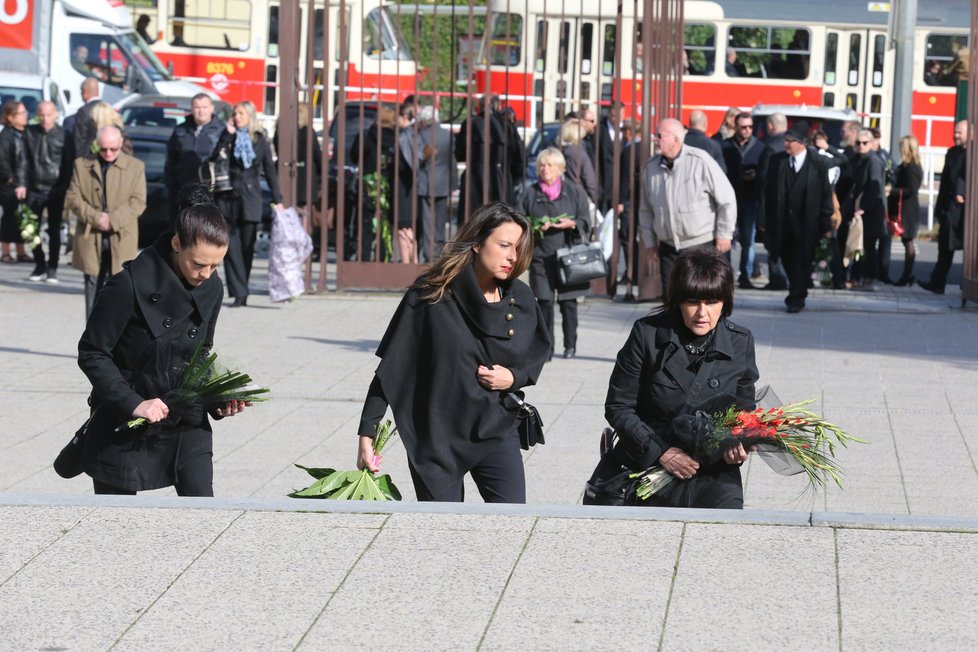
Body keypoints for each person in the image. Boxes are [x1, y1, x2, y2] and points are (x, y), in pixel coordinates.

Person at [355, 202, 550, 502]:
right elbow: (392, 368)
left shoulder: (520, 298)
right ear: (477, 244)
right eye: (504, 245)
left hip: (494, 426)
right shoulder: (432, 294)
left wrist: (513, 377)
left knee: (512, 522)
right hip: (436, 435)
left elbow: (535, 354)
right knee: (441, 534)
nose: (512, 256)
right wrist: (367, 434)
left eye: (518, 247)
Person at [76, 203, 243, 496]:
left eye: (216, 265)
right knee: (115, 527)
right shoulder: (127, 285)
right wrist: (133, 403)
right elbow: (92, 352)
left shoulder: (212, 287)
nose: (207, 274)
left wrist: (217, 399)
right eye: (199, 264)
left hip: (185, 419)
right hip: (123, 418)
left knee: (204, 513)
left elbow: (201, 351)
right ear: (176, 243)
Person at [604, 248, 759, 508]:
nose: (702, 313)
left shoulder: (740, 342)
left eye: (711, 303)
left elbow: (744, 410)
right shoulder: (647, 335)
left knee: (727, 517)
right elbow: (618, 407)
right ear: (677, 300)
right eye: (692, 302)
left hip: (711, 466)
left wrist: (737, 444)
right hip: (649, 457)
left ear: (725, 303)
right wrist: (661, 452)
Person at [639, 118, 736, 300]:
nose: (655, 139)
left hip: (699, 244)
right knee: (672, 299)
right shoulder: (651, 168)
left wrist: (724, 233)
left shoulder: (699, 161)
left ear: (676, 139)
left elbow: (727, 198)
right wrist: (650, 241)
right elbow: (645, 209)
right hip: (668, 247)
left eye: (660, 136)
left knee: (700, 297)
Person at [67, 125, 146, 318]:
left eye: (113, 148)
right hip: (90, 235)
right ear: (96, 145)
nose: (108, 153)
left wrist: (113, 220)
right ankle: (90, 342)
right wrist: (96, 218)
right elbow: (73, 197)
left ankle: (115, 342)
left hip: (121, 236)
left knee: (120, 290)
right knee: (92, 288)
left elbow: (138, 202)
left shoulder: (135, 167)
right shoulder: (81, 165)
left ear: (121, 144)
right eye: (103, 149)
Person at [211, 100, 284, 306]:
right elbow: (214, 158)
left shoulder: (259, 139)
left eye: (241, 113)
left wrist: (278, 199)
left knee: (246, 248)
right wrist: (227, 134)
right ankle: (239, 292)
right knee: (231, 248)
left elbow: (269, 170)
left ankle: (242, 291)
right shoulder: (228, 137)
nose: (237, 116)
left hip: (250, 198)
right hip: (227, 197)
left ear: (250, 116)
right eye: (235, 113)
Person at [521, 147, 591, 360]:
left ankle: (570, 345)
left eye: (550, 165)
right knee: (543, 303)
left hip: (568, 256)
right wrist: (533, 227)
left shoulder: (574, 191)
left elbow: (586, 221)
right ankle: (546, 348)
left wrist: (572, 223)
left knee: (568, 304)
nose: (545, 168)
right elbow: (518, 221)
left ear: (560, 168)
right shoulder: (530, 192)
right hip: (541, 257)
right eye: (542, 164)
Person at [760, 121, 834, 313]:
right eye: (785, 140)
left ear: (801, 142)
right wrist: (763, 220)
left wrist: (826, 222)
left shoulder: (818, 163)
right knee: (785, 257)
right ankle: (797, 289)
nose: (786, 144)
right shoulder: (778, 161)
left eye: (790, 141)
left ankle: (796, 297)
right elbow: (767, 193)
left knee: (801, 260)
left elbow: (826, 193)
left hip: (807, 224)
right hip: (782, 223)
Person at [919, 121, 969, 295]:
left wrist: (963, 193)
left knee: (969, 251)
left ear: (971, 133)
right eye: (955, 132)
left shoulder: (973, 153)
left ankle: (968, 285)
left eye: (959, 132)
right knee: (945, 247)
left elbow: (967, 178)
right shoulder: (952, 152)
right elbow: (946, 181)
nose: (956, 135)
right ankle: (937, 282)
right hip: (950, 208)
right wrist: (940, 208)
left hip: (966, 210)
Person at [721, 112, 769, 289]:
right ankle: (726, 276)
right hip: (728, 198)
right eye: (743, 127)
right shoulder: (725, 146)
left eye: (750, 127)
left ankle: (745, 276)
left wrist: (755, 176)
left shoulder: (760, 147)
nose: (747, 130)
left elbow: (764, 175)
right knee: (725, 236)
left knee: (748, 240)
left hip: (750, 199)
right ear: (736, 127)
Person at [24, 101, 67, 282]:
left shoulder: (65, 136)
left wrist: (63, 188)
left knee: (54, 230)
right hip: (34, 189)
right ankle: (39, 263)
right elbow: (22, 160)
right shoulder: (30, 132)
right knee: (29, 229)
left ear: (56, 115)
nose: (45, 118)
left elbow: (68, 165)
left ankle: (52, 266)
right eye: (41, 114)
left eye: (48, 114)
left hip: (55, 189)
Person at [350, 105, 397, 262]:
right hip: (389, 187)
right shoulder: (396, 139)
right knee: (385, 225)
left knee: (366, 223)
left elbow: (354, 156)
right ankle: (382, 258)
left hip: (368, 186)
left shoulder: (366, 135)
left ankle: (363, 257)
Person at [166, 93, 225, 217]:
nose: (201, 111)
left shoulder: (221, 131)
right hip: (183, 190)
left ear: (212, 108)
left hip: (210, 193)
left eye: (204, 107)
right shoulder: (180, 130)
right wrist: (170, 184)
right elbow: (170, 159)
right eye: (197, 107)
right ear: (192, 109)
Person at [844, 128, 887, 291]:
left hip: (870, 212)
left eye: (864, 143)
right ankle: (859, 277)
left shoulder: (873, 161)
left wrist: (864, 208)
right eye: (858, 143)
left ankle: (867, 278)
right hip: (861, 209)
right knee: (860, 245)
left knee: (866, 246)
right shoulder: (858, 159)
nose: (861, 146)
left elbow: (874, 186)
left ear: (871, 144)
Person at [413, 106, 455, 262]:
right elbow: (452, 160)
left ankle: (428, 253)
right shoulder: (447, 135)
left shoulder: (421, 135)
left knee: (426, 221)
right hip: (443, 182)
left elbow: (417, 159)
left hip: (425, 182)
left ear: (425, 120)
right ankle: (439, 252)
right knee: (440, 221)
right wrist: (453, 183)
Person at [454, 95, 506, 218]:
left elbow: (459, 153)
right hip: (498, 176)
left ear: (479, 107)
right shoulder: (503, 125)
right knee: (495, 218)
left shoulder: (470, 123)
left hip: (474, 175)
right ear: (497, 106)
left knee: (470, 218)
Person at [889, 136, 923, 287]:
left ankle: (907, 275)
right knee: (906, 241)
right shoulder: (906, 166)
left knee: (908, 241)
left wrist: (892, 191)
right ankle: (907, 275)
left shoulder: (912, 168)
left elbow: (911, 190)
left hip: (908, 209)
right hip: (904, 207)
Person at [0, 100, 30, 264]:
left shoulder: (23, 133)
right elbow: (3, 161)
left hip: (23, 184)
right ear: (11, 117)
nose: (26, 115)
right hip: (9, 185)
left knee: (22, 217)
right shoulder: (6, 135)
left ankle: (21, 251)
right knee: (9, 218)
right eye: (21, 113)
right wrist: (13, 181)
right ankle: (5, 251)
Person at [559, 119, 598, 203]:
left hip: (560, 195)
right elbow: (589, 180)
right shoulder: (580, 154)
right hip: (578, 196)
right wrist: (594, 198)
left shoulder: (559, 152)